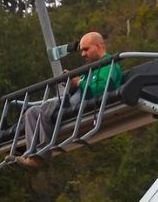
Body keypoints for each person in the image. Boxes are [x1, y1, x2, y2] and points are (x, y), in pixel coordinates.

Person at [16, 31, 123, 169]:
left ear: (99, 46)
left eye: (86, 49)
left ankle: (41, 156)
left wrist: (78, 82)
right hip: (74, 100)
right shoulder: (90, 69)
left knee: (45, 111)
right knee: (31, 112)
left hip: (84, 103)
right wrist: (72, 84)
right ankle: (31, 155)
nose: (83, 54)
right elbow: (80, 88)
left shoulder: (109, 65)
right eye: (81, 50)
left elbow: (103, 88)